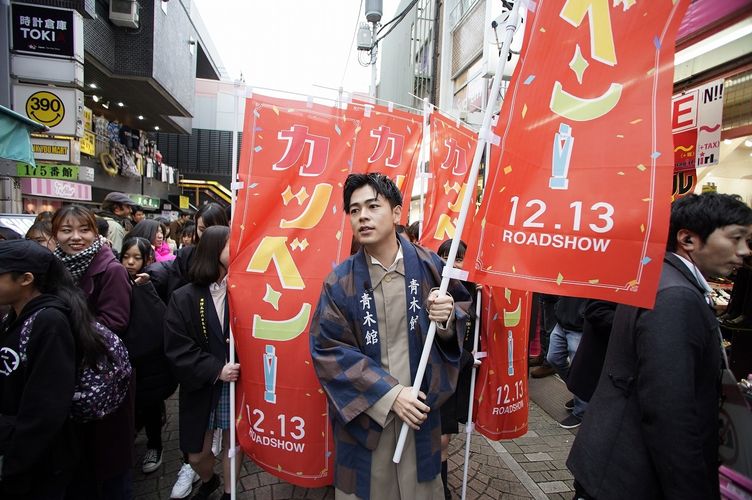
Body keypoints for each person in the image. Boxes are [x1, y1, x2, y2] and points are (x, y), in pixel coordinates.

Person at [567, 193, 752, 500]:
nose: (744, 251)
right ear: (687, 239)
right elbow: (669, 411)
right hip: (631, 474)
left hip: (611, 463)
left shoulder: (657, 276)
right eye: (736, 238)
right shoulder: (676, 296)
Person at [310, 173, 471, 500]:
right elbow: (328, 350)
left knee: (421, 490)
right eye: (354, 211)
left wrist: (447, 319)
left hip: (419, 413)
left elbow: (461, 314)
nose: (362, 216)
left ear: (398, 213)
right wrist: (391, 395)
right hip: (369, 415)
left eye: (372, 206)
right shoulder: (339, 283)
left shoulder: (431, 268)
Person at [0, 240, 107, 499]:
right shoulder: (13, 316)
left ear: (25, 279)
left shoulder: (50, 322)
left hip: (41, 460)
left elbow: (46, 406)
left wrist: (12, 463)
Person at [51, 205, 134, 500]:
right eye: (66, 230)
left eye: (84, 230)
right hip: (64, 377)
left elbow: (115, 323)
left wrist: (59, 328)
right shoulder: (51, 268)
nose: (76, 237)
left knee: (109, 465)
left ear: (96, 232)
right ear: (54, 234)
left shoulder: (111, 270)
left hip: (103, 379)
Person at [164, 226, 242, 500]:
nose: (239, 248)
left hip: (238, 382)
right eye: (232, 243)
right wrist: (216, 369)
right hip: (203, 384)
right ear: (213, 250)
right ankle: (209, 479)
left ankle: (229, 493)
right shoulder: (184, 297)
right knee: (196, 454)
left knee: (233, 445)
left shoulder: (244, 290)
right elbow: (177, 348)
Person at [120, 237, 177, 476]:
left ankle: (155, 445)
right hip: (124, 359)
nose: (131, 263)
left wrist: (146, 289)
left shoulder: (155, 281)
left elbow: (160, 321)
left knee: (150, 404)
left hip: (150, 362)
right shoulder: (114, 281)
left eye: (137, 258)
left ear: (148, 260)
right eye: (126, 257)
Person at [437, 239, 480, 500]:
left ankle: (441, 489)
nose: (451, 263)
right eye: (446, 256)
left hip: (458, 377)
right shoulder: (436, 290)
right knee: (437, 440)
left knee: (445, 439)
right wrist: (465, 356)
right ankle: (436, 490)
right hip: (436, 376)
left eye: (459, 258)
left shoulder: (479, 293)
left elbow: (478, 332)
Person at [546, 296, 588, 428]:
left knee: (579, 368)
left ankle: (581, 411)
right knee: (553, 358)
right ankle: (579, 392)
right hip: (563, 319)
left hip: (579, 325)